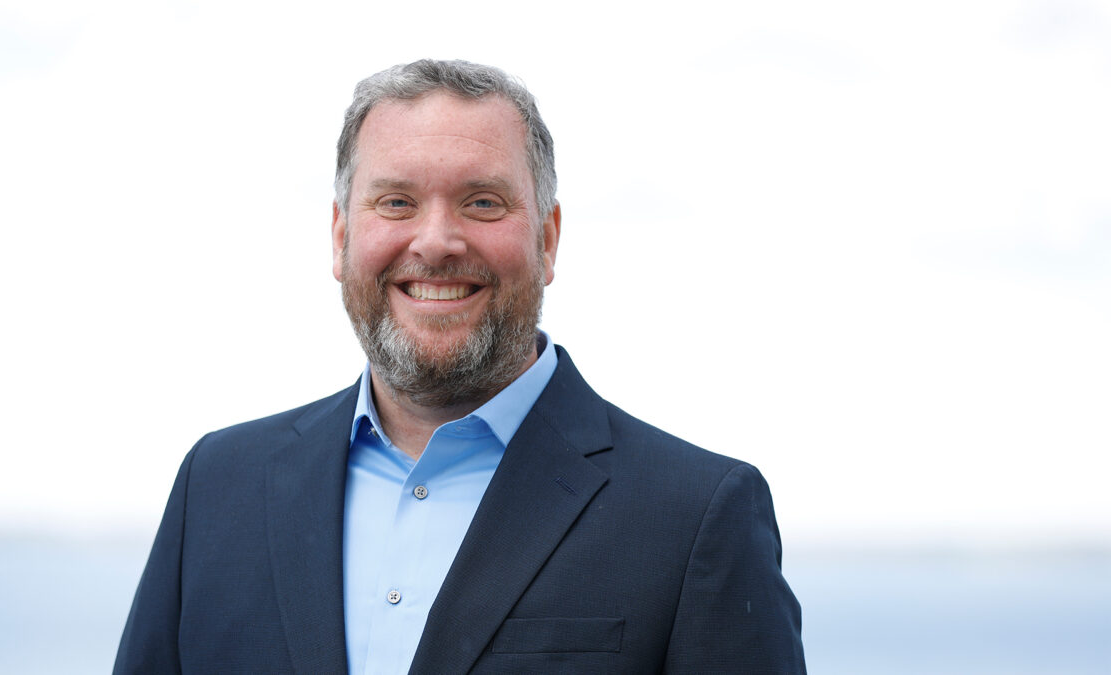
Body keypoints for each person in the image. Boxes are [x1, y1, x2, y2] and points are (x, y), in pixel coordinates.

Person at [113, 58, 805, 674]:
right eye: (396, 202)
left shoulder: (696, 517)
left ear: (548, 237)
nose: (437, 241)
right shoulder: (218, 486)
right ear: (340, 235)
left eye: (482, 202)